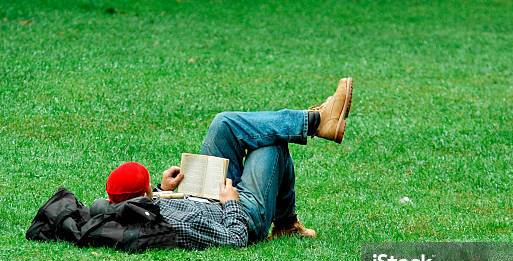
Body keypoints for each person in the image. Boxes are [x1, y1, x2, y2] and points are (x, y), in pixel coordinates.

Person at [104, 77, 353, 249]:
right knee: (272, 143)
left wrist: (163, 190)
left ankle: (315, 120)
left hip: (206, 193)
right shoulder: (173, 225)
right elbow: (234, 238)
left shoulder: (125, 207)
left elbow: (140, 202)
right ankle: (317, 121)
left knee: (224, 123)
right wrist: (232, 203)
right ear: (142, 193)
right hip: (239, 213)